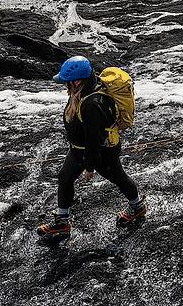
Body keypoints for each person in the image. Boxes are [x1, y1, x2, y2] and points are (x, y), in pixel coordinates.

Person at [37, 57, 146, 237]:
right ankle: (62, 223)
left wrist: (89, 167)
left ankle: (137, 207)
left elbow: (94, 139)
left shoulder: (92, 104)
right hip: (79, 150)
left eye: (66, 82)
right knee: (65, 178)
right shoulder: (82, 93)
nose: (64, 85)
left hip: (101, 152)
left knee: (119, 178)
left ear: (77, 81)